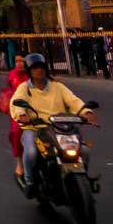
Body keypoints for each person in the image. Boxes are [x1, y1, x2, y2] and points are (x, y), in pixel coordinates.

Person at [9, 53, 97, 198]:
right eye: (35, 68)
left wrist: (86, 112)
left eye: (42, 68)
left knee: (84, 151)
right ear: (30, 71)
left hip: (61, 128)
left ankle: (83, 180)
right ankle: (30, 181)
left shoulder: (58, 87)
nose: (39, 71)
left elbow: (74, 101)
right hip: (35, 129)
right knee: (30, 152)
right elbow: (16, 103)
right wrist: (22, 115)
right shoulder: (24, 88)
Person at [0, 54, 29, 176]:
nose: (19, 63)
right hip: (17, 109)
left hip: (36, 108)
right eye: (17, 61)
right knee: (16, 132)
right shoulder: (12, 74)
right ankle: (19, 162)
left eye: (22, 61)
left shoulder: (34, 73)